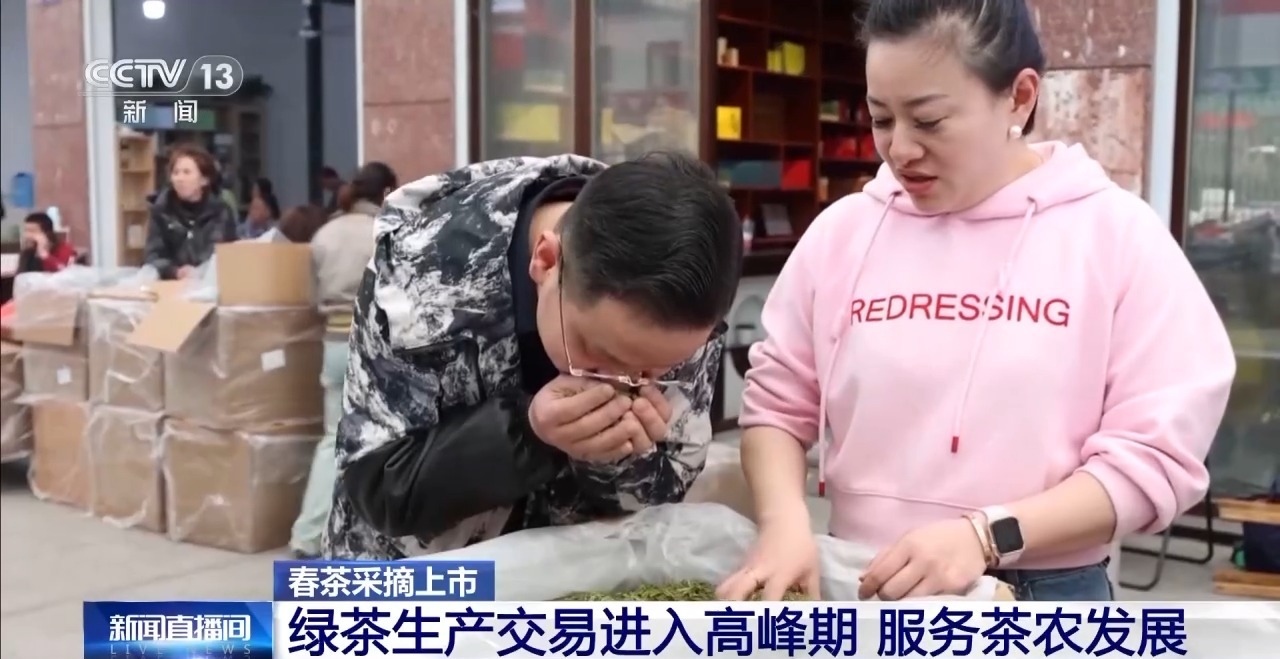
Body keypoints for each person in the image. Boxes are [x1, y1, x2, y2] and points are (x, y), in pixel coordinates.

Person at [718, 0, 1236, 602]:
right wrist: (784, 524)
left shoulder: (1115, 237)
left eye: (929, 121)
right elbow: (778, 406)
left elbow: (1155, 456)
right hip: (858, 578)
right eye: (882, 118)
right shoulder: (844, 233)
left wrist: (986, 536)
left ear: (1019, 97)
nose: (900, 148)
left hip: (1042, 591)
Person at [324, 152, 743, 560]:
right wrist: (526, 432)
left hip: (567, 583)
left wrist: (618, 459)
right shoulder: (422, 271)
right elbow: (379, 488)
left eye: (653, 372)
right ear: (546, 261)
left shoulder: (688, 308)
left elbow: (661, 497)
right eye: (596, 354)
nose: (619, 384)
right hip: (420, 584)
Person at [290, 161, 398, 558]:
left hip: (333, 344)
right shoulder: (388, 229)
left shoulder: (325, 232)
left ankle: (307, 536)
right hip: (374, 343)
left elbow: (310, 297)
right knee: (384, 438)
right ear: (386, 192)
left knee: (331, 439)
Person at [144, 144, 238, 280]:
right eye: (176, 173)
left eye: (187, 172)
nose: (180, 178)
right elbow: (153, 255)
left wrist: (199, 271)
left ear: (204, 179)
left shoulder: (221, 212)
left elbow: (227, 254)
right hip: (169, 283)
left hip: (208, 283)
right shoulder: (161, 210)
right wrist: (175, 271)